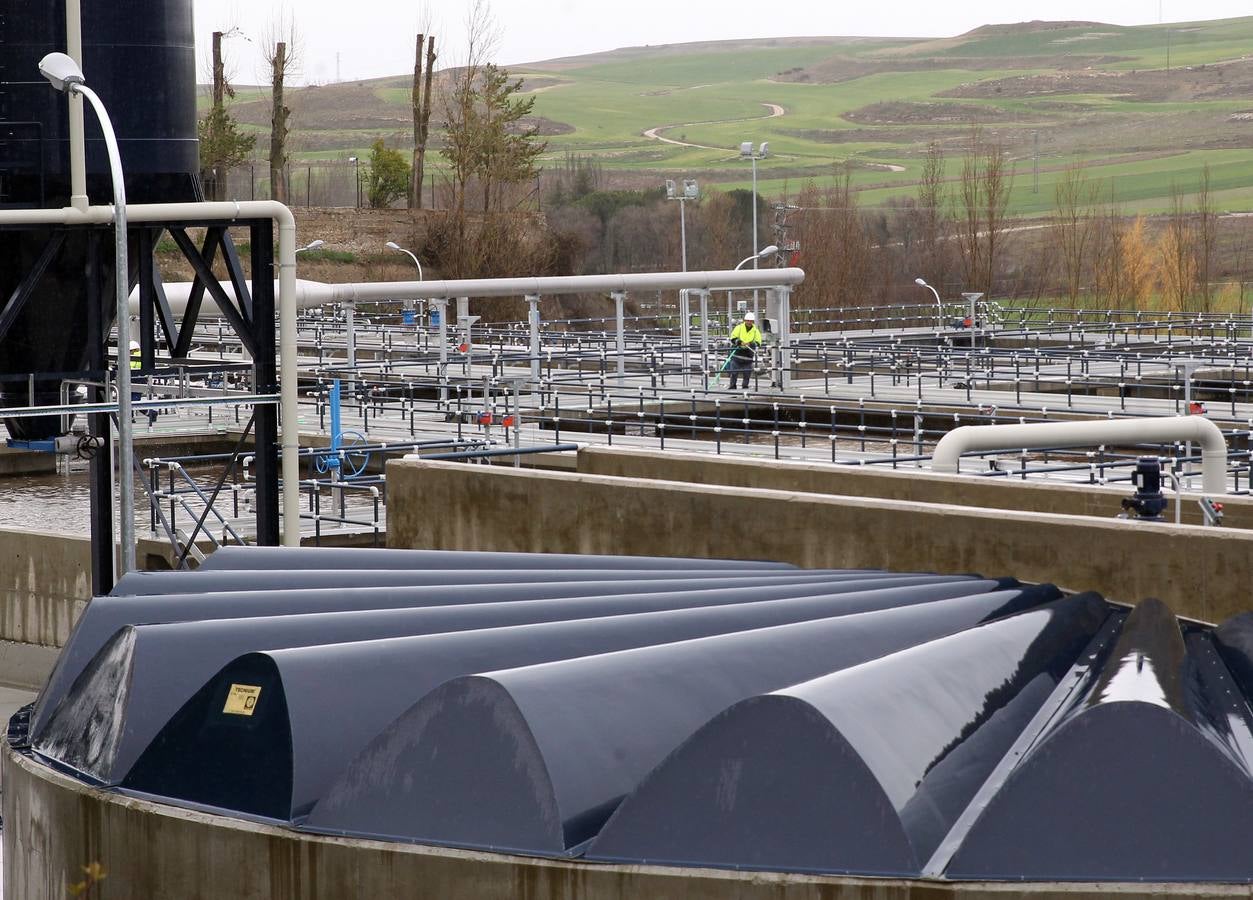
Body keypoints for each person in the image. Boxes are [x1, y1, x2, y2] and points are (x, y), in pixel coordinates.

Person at [727, 311, 762, 390]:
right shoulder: (739, 328)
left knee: (747, 374)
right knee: (734, 373)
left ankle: (745, 388)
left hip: (748, 356)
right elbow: (733, 338)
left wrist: (750, 344)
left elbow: (758, 342)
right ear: (745, 320)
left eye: (751, 321)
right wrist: (739, 342)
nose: (749, 322)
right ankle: (732, 388)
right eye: (747, 320)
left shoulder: (755, 331)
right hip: (737, 354)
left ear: (753, 321)